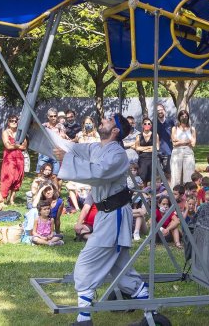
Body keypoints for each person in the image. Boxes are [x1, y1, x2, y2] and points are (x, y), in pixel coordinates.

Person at [51, 113, 150, 326]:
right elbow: (71, 148)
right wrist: (38, 130)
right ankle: (151, 314)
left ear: (115, 131)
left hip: (114, 216)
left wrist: (65, 161)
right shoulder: (97, 147)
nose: (102, 120)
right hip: (107, 215)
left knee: (86, 264)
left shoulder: (118, 155)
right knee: (121, 271)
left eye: (108, 120)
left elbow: (97, 172)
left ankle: (83, 319)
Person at [0, 116, 28, 205]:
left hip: (19, 158)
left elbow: (24, 146)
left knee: (17, 178)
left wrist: (15, 145)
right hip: (9, 158)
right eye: (11, 121)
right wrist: (17, 146)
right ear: (8, 122)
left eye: (15, 121)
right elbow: (7, 146)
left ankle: (12, 200)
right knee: (8, 178)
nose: (14, 122)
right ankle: (3, 199)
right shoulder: (5, 132)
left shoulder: (21, 133)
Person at [170, 110, 196, 187]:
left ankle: (188, 194)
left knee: (189, 175)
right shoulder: (174, 128)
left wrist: (179, 141)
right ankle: (174, 195)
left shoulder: (192, 129)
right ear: (179, 117)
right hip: (177, 153)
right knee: (175, 176)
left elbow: (193, 144)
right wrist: (187, 142)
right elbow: (174, 143)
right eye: (182, 116)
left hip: (188, 153)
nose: (184, 118)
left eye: (186, 116)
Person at [37, 108, 64, 173]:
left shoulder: (61, 126)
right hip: (44, 152)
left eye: (55, 116)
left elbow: (62, 138)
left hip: (55, 153)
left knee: (55, 174)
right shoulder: (44, 126)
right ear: (48, 117)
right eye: (51, 116)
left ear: (57, 116)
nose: (53, 118)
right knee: (41, 173)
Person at [133, 117, 158, 184]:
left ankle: (150, 193)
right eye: (145, 124)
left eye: (149, 124)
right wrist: (150, 147)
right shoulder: (138, 136)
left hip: (152, 158)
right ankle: (144, 193)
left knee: (152, 178)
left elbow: (157, 148)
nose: (147, 125)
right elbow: (137, 148)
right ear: (142, 125)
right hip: (142, 159)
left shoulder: (155, 135)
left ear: (151, 125)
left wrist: (143, 148)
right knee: (142, 178)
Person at [155, 104, 175, 180]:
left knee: (168, 173)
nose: (160, 111)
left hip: (168, 151)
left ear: (164, 110)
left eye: (161, 110)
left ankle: (169, 190)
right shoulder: (154, 123)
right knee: (158, 175)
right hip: (157, 152)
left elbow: (174, 135)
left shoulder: (170, 122)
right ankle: (160, 190)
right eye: (158, 110)